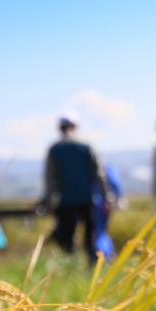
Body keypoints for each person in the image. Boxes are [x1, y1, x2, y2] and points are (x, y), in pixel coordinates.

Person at [44, 111, 105, 259]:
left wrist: (48, 200)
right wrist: (106, 195)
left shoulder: (55, 149)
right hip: (87, 199)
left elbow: (50, 178)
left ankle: (70, 265)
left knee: (66, 237)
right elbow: (98, 173)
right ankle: (91, 263)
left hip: (65, 201)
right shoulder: (86, 146)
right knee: (90, 236)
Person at [93, 164, 123, 260]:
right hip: (104, 204)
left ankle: (103, 255)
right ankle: (106, 254)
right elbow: (116, 185)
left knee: (99, 231)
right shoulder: (108, 169)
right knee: (102, 231)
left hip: (95, 204)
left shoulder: (91, 169)